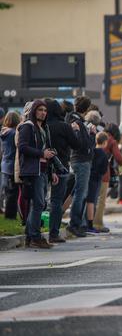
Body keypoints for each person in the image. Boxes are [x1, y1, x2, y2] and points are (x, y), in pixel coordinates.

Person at [17, 100, 57, 249]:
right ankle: (35, 236)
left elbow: (47, 151)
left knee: (39, 203)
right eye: (40, 110)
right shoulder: (27, 127)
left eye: (45, 110)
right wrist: (41, 153)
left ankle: (30, 235)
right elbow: (22, 147)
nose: (43, 113)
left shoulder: (43, 128)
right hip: (33, 170)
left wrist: (52, 171)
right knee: (39, 203)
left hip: (43, 169)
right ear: (34, 111)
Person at [44, 99, 80, 243]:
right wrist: (75, 131)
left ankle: (32, 231)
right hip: (61, 167)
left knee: (38, 201)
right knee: (56, 201)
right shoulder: (64, 127)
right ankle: (53, 233)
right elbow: (76, 145)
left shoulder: (42, 126)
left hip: (42, 166)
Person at [66, 96, 95, 238]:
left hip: (78, 160)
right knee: (80, 193)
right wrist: (91, 135)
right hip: (81, 161)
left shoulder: (75, 120)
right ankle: (74, 224)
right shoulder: (77, 122)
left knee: (76, 192)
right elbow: (83, 144)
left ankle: (77, 223)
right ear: (87, 108)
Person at [93, 122, 122, 232]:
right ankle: (97, 223)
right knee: (101, 199)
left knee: (92, 198)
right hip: (104, 172)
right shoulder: (112, 141)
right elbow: (118, 158)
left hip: (92, 170)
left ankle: (87, 222)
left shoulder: (97, 135)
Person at [83, 132, 109, 234]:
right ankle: (90, 224)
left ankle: (84, 222)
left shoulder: (92, 151)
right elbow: (104, 169)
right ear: (105, 142)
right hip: (97, 179)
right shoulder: (103, 154)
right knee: (92, 201)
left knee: (86, 200)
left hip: (88, 176)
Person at [1, 111, 21, 220]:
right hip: (13, 165)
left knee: (8, 191)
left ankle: (9, 215)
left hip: (5, 164)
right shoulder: (14, 133)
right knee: (13, 192)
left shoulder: (3, 132)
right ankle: (10, 216)